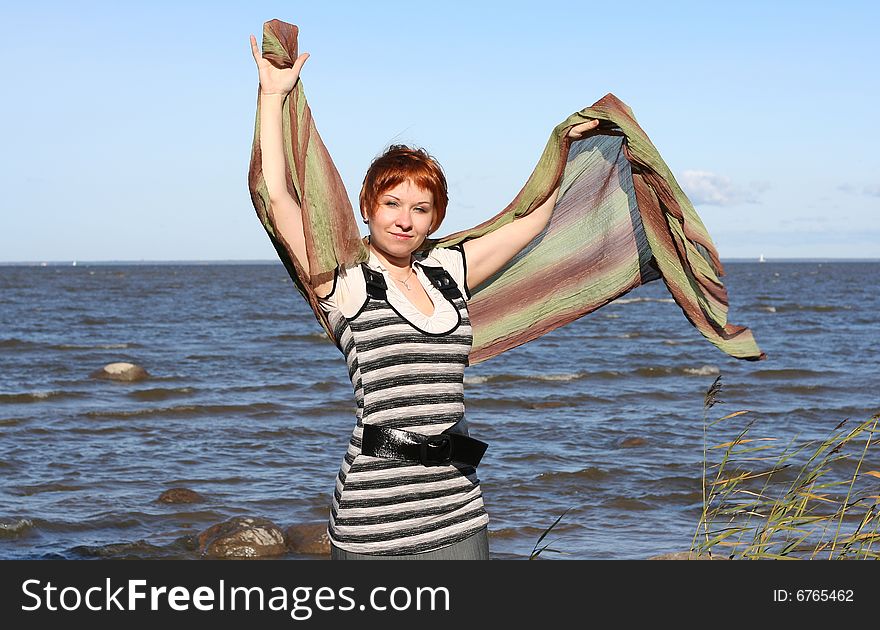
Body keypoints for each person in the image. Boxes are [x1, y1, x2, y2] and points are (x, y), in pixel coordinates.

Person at [250, 34, 597, 559]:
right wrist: (271, 97)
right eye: (392, 203)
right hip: (375, 522)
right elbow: (278, 197)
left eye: (421, 208)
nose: (404, 219)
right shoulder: (342, 278)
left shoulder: (447, 269)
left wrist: (565, 142)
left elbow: (531, 222)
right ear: (367, 206)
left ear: (436, 217)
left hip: (459, 510)